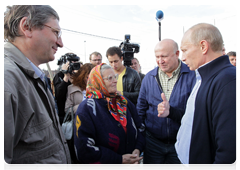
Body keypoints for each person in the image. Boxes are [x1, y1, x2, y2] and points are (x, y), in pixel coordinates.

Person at [4, 5, 71, 169]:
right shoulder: (7, 80)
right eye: (56, 32)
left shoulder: (32, 76)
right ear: (27, 27)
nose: (60, 43)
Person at [173, 23, 238, 170]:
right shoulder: (204, 77)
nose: (182, 58)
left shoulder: (228, 81)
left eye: (185, 50)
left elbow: (231, 151)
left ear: (203, 46)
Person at [137, 39, 196, 170]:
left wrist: (172, 112)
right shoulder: (149, 78)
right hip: (153, 143)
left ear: (177, 54)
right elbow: (141, 109)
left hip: (181, 143)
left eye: (164, 56)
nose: (160, 61)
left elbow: (196, 114)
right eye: (157, 57)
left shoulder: (193, 76)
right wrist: (140, 139)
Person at [74, 63, 145, 170]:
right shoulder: (87, 108)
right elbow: (84, 149)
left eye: (115, 77)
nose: (115, 80)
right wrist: (119, 161)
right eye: (110, 78)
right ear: (98, 81)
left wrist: (137, 151)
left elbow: (140, 128)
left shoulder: (124, 102)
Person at [65, 63, 94, 170]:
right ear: (83, 76)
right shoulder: (72, 88)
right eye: (87, 77)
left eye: (92, 77)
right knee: (80, 154)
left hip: (94, 126)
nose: (90, 80)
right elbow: (67, 109)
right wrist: (83, 106)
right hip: (78, 126)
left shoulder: (98, 88)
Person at [53, 52, 80, 124]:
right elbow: (58, 94)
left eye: (76, 62)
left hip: (76, 112)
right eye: (72, 62)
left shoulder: (77, 76)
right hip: (63, 114)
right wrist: (66, 77)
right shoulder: (59, 76)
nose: (74, 64)